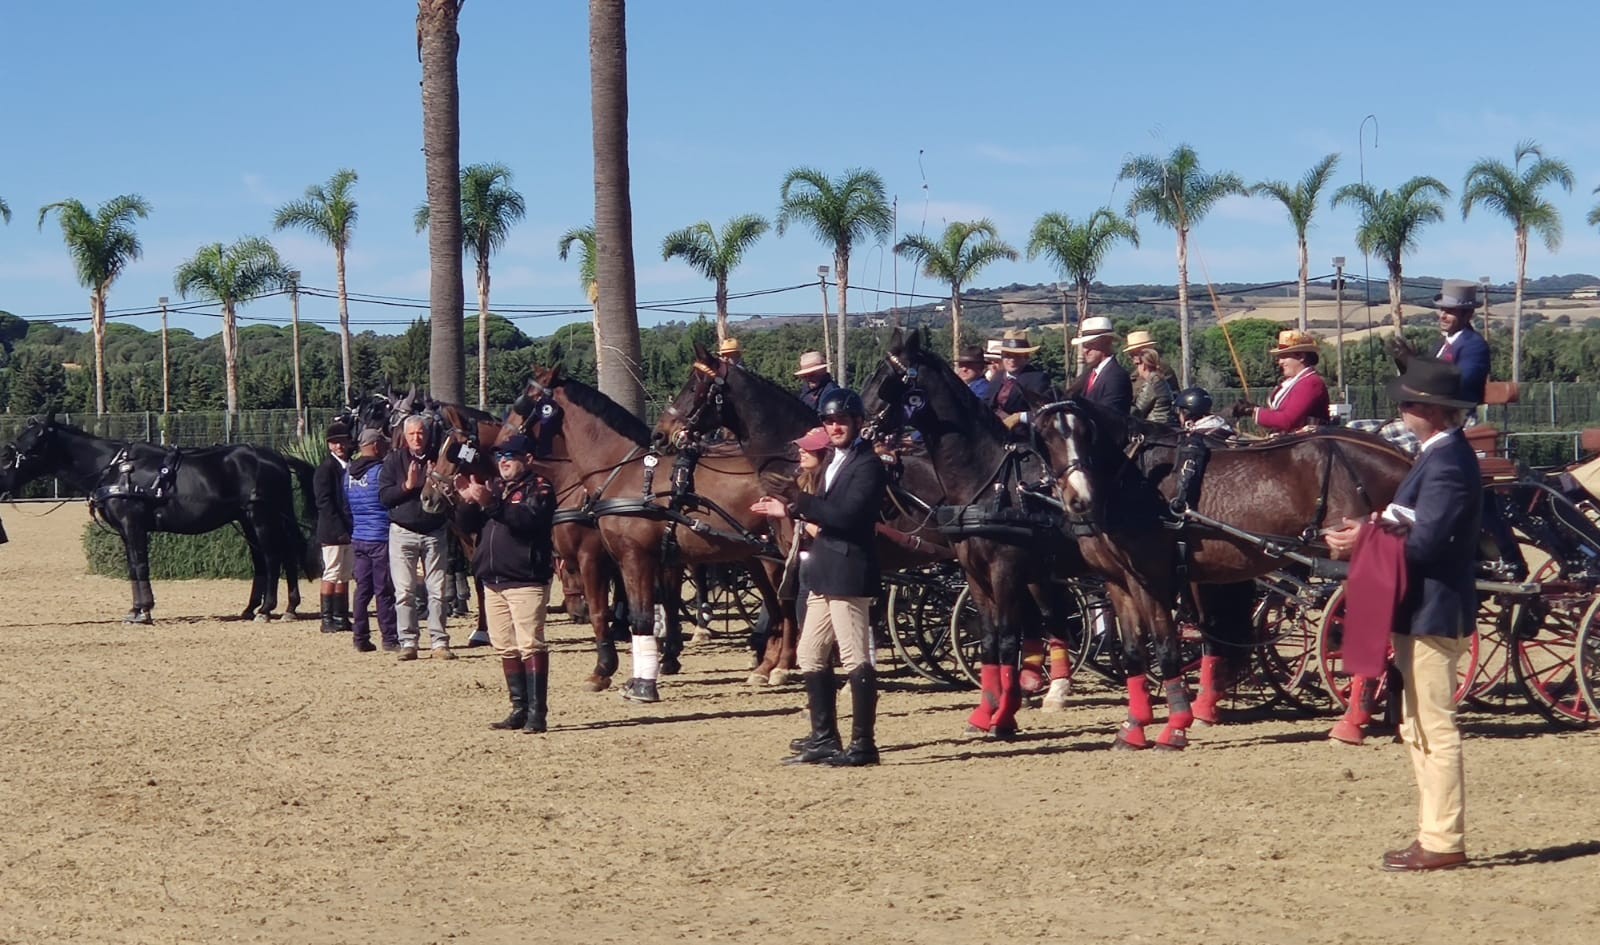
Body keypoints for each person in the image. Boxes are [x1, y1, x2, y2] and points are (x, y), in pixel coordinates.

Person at [1325, 358, 1480, 872]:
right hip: (1421, 608)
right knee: (1417, 726)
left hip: (1434, 610)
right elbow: (1410, 523)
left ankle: (1443, 839)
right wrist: (1369, 527)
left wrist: (1365, 538)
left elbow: (1428, 542)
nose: (1402, 412)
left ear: (1431, 411)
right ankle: (1433, 834)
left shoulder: (1449, 462)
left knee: (1434, 728)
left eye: (1408, 404)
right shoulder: (1438, 456)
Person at [751, 389, 888, 767]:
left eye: (841, 420)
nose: (835, 427)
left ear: (857, 423)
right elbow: (822, 512)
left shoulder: (868, 466)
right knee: (810, 654)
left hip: (848, 570)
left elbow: (847, 516)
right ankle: (824, 737)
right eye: (829, 421)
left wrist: (795, 501)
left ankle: (864, 744)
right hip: (824, 570)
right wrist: (787, 509)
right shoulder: (833, 463)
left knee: (855, 657)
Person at [454, 434, 557, 733]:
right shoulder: (496, 487)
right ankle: (518, 709)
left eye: (510, 456)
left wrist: (490, 502)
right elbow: (468, 527)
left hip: (525, 578)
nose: (503, 461)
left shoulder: (540, 487)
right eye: (500, 457)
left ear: (528, 459)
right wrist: (468, 502)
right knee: (505, 646)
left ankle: (537, 713)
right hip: (493, 579)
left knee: (530, 643)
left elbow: (527, 521)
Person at [379, 414, 455, 661]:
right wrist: (407, 486)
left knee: (438, 590)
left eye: (420, 432)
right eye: (412, 434)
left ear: (428, 434)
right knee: (404, 591)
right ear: (404, 436)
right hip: (403, 532)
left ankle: (439, 642)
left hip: (434, 531)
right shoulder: (394, 460)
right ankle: (408, 642)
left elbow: (459, 472)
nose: (417, 438)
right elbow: (384, 497)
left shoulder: (439, 457)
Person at [345, 427, 399, 653]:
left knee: (362, 591)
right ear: (376, 446)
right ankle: (389, 638)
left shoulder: (348, 474)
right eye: (383, 444)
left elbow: (347, 504)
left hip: (359, 536)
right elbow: (388, 500)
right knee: (383, 590)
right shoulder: (380, 471)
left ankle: (360, 637)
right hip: (380, 537)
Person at [1231, 330, 1330, 433]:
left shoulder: (1311, 383)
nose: (1280, 362)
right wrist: (1254, 409)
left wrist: (1252, 411)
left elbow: (1287, 421)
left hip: (1308, 441)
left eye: (1284, 357)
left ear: (1301, 356)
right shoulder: (1293, 382)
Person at [312, 421, 355, 633]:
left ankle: (341, 615)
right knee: (332, 572)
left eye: (342, 442)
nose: (340, 446)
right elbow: (324, 503)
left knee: (344, 573)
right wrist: (339, 530)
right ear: (330, 445)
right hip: (332, 530)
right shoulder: (325, 469)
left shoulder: (349, 467)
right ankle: (327, 617)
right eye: (335, 443)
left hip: (349, 528)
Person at [987, 328, 1054, 429]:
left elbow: (1047, 411)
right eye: (1007, 355)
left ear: (1026, 357)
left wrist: (1020, 417)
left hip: (1024, 434)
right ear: (1002, 356)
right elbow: (987, 404)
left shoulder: (1038, 379)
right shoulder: (997, 377)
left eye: (1017, 356)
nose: (1012, 360)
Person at [1069, 316, 1133, 415]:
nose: (1085, 350)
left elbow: (1110, 416)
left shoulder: (1117, 377)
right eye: (1084, 345)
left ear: (1107, 342)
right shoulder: (1088, 374)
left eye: (1091, 344)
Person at [1129, 347, 1176, 426]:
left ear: (1144, 365)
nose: (1137, 368)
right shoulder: (1159, 379)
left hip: (1156, 426)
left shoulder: (1153, 381)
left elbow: (1138, 410)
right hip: (1163, 425)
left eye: (1138, 364)